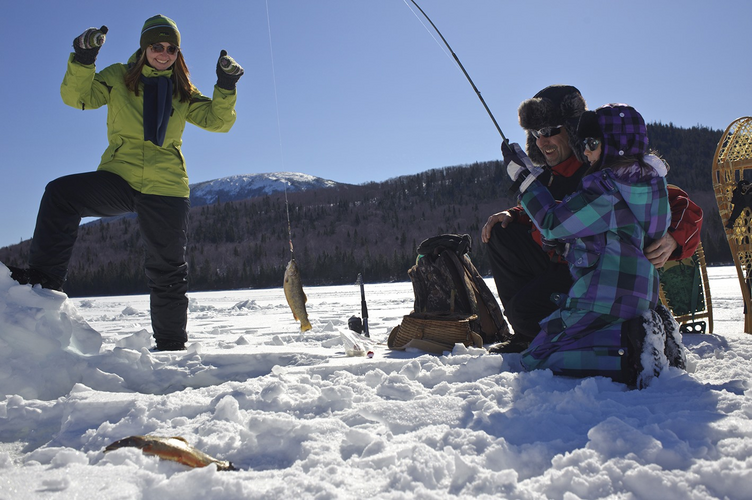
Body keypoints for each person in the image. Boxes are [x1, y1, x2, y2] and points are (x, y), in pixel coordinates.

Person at [8, 15, 244, 351]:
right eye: (157, 46)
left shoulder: (182, 91)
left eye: (171, 48)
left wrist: (226, 84)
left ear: (178, 53)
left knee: (167, 271)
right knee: (61, 194)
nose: (163, 53)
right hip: (120, 177)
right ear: (144, 46)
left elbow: (219, 122)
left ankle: (171, 346)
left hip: (166, 187)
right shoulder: (118, 77)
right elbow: (78, 97)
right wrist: (83, 57)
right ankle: (44, 281)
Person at [481, 85, 702, 352]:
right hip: (569, 264)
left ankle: (619, 338)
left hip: (601, 277)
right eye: (536, 133)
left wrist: (672, 238)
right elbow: (555, 212)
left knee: (525, 312)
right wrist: (515, 214)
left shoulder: (606, 169)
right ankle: (527, 333)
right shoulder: (550, 178)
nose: (542, 141)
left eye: (551, 131)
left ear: (572, 130)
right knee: (503, 234)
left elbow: (679, 203)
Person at [503, 103, 671, 386]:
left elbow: (552, 222)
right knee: (562, 337)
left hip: (604, 298)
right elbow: (614, 241)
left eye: (593, 143)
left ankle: (628, 352)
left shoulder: (608, 189)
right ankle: (651, 341)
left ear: (615, 144)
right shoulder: (650, 188)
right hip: (638, 299)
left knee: (537, 357)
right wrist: (569, 249)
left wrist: (524, 179)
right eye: (584, 144)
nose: (587, 152)